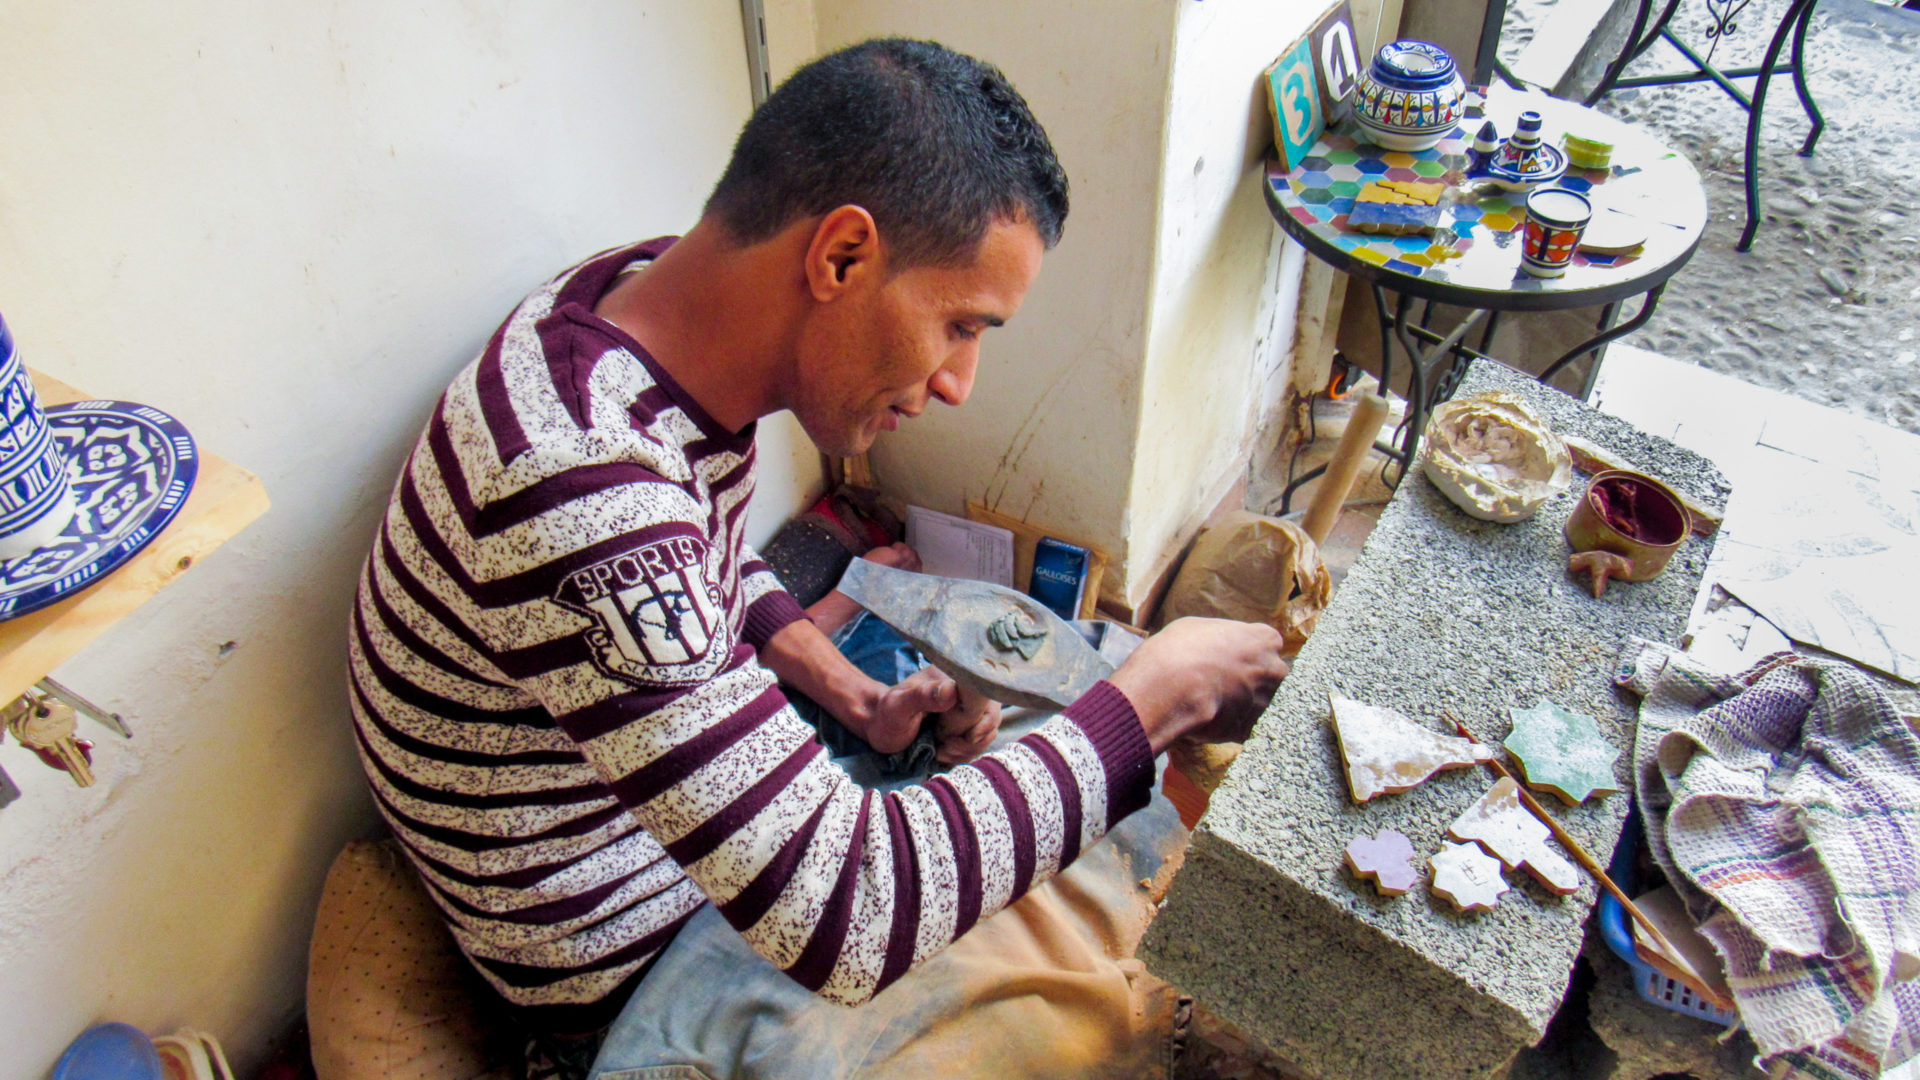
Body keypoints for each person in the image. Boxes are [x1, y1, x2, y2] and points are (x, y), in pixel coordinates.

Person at [346, 37, 1288, 1080]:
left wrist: (842, 686)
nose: (960, 382)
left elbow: (692, 553)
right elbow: (847, 916)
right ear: (841, 258)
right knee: (1107, 963)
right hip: (635, 968)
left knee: (1057, 735)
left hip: (680, 843)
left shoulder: (642, 312)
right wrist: (1160, 696)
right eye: (962, 325)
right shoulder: (574, 482)